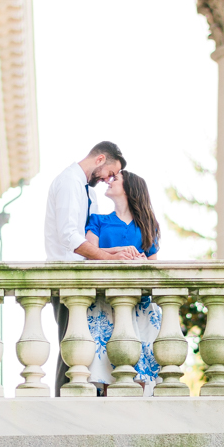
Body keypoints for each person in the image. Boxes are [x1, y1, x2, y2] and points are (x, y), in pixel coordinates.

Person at [45, 141, 138, 395]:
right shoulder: (67, 182)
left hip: (84, 278)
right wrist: (109, 259)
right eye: (110, 172)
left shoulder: (90, 193)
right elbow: (69, 237)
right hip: (66, 280)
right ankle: (65, 408)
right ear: (99, 160)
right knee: (71, 347)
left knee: (86, 348)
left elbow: (88, 245)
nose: (110, 179)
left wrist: (116, 253)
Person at [85, 170, 162, 396]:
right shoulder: (98, 220)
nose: (109, 181)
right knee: (107, 369)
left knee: (139, 369)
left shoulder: (149, 225)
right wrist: (117, 252)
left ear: (129, 189)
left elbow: (154, 266)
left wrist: (141, 260)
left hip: (140, 305)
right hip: (105, 303)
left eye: (115, 179)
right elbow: (90, 254)